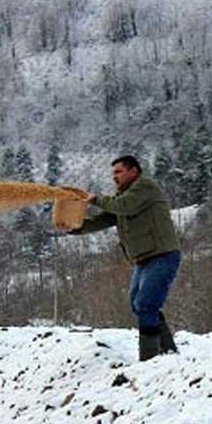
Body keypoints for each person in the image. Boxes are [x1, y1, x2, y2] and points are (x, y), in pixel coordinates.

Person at [57, 155, 182, 361]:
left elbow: (123, 206)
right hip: (143, 259)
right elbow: (103, 219)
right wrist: (73, 227)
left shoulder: (144, 187)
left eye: (118, 172)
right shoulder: (122, 197)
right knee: (137, 304)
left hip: (162, 255)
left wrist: (95, 199)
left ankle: (150, 359)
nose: (114, 177)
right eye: (113, 173)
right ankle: (167, 352)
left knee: (146, 304)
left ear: (134, 171)